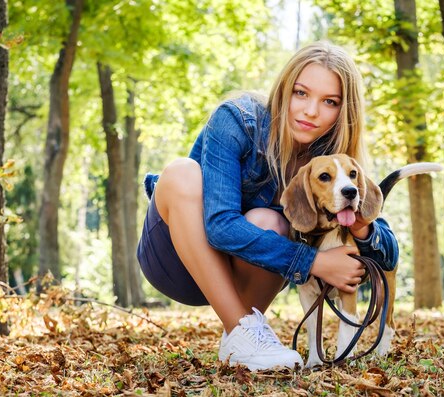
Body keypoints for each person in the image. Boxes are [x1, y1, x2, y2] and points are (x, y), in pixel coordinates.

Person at [137, 41, 399, 371]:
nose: (311, 111)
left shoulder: (334, 164)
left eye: (329, 101)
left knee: (270, 220)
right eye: (301, 93)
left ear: (343, 111)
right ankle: (243, 329)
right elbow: (219, 225)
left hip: (243, 277)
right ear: (284, 87)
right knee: (180, 173)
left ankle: (243, 336)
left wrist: (361, 225)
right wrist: (313, 261)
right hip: (176, 262)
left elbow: (388, 251)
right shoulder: (237, 120)